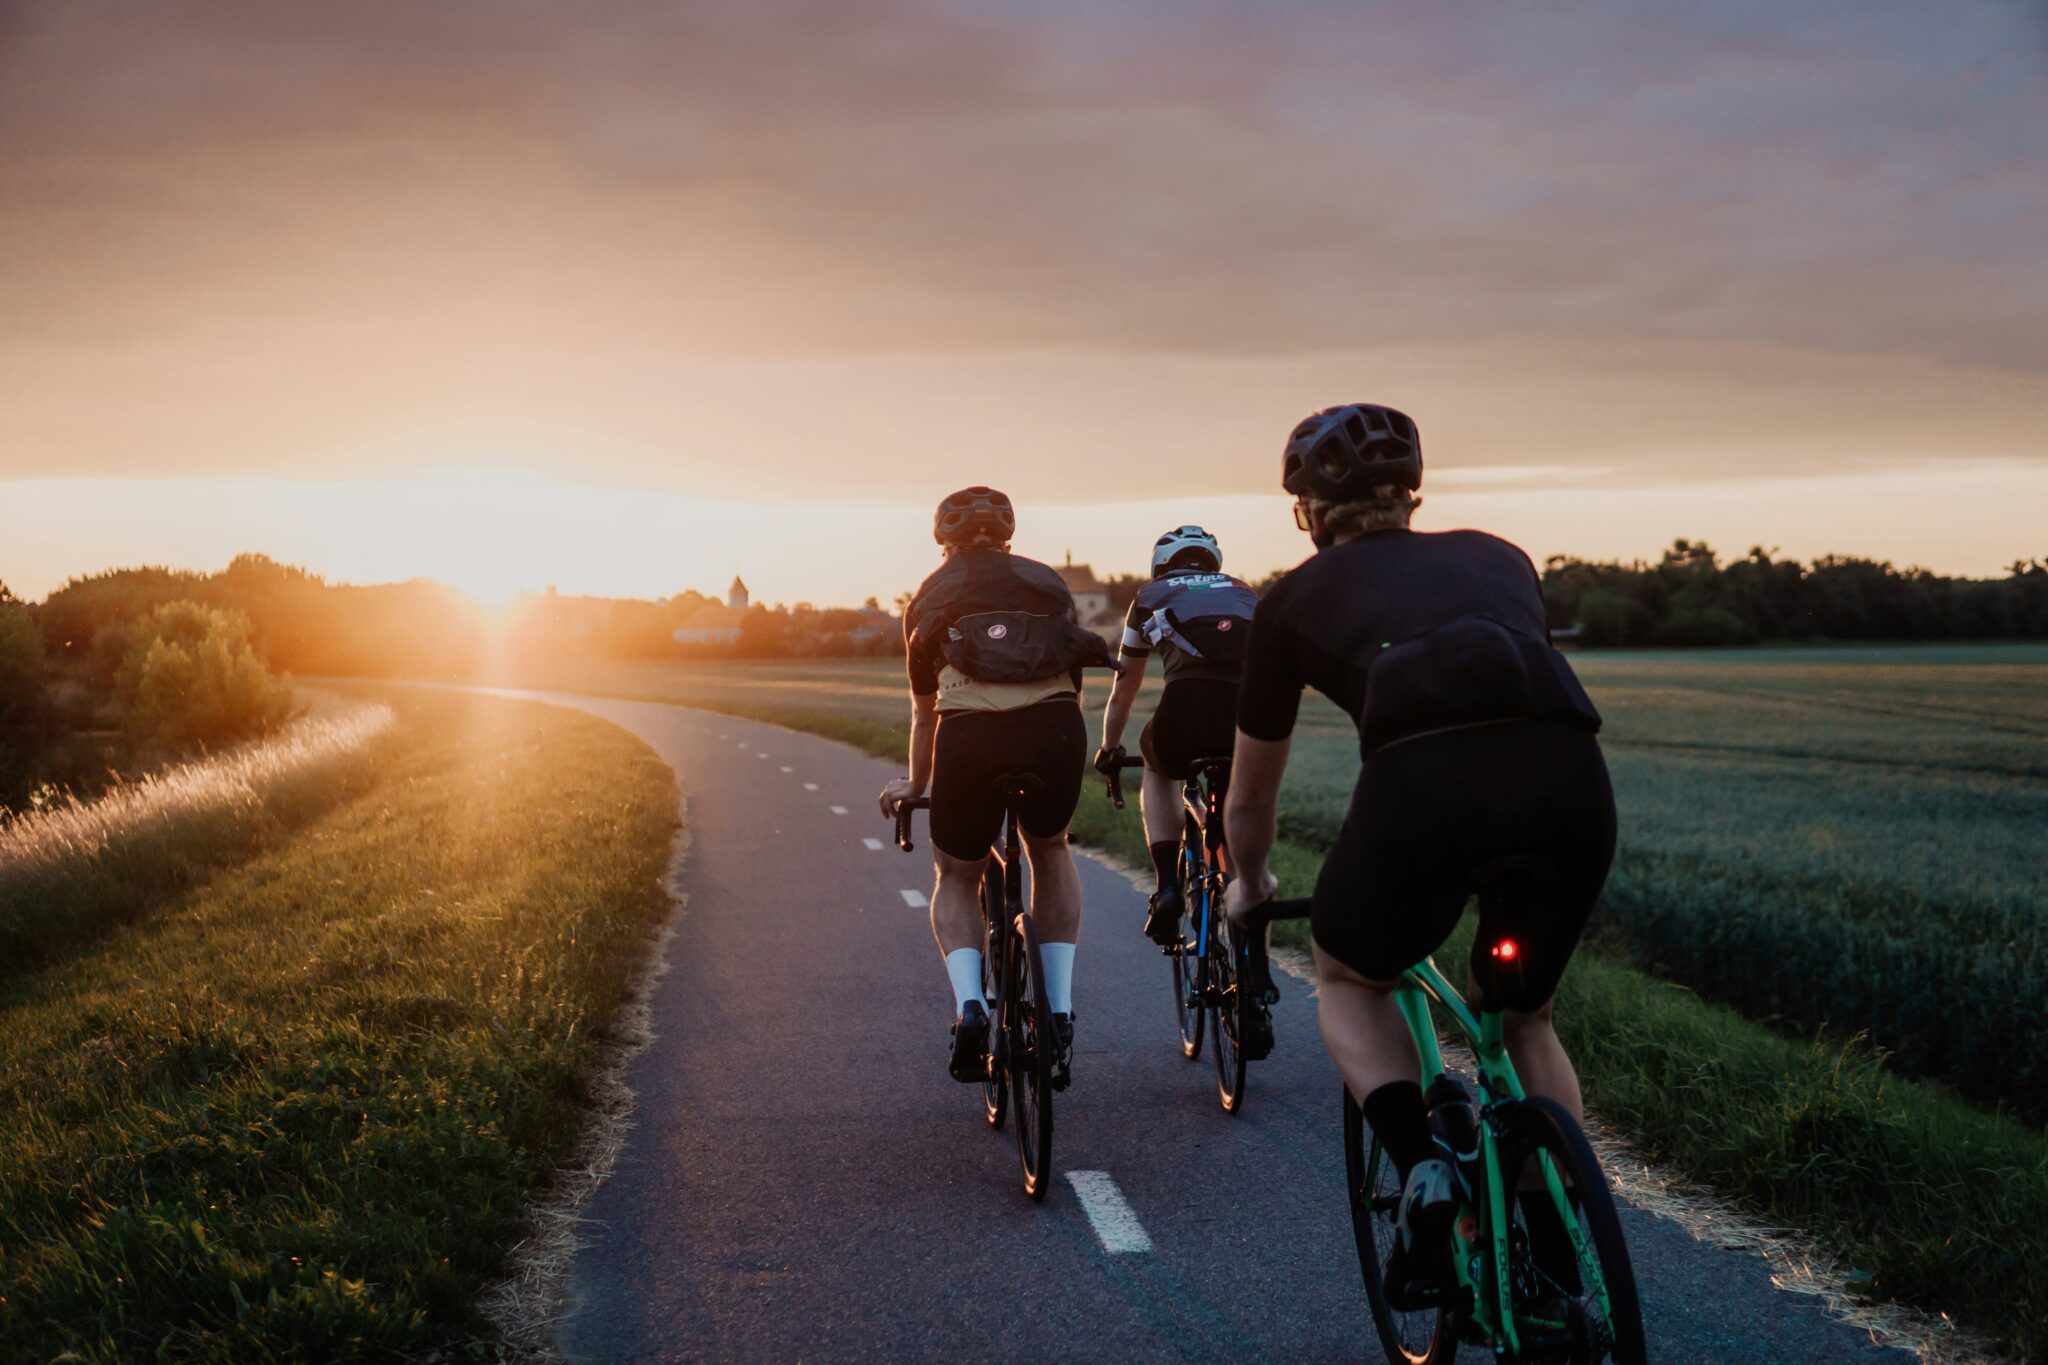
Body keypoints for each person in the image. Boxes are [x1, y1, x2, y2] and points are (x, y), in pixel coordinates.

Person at [1221, 404, 1613, 1306]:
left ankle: (1425, 1173)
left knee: (1352, 972)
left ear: (1309, 511)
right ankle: (1555, 1247)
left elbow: (1249, 797)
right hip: (1571, 785)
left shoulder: (1287, 603)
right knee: (1525, 1015)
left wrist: (1250, 883)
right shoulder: (1502, 556)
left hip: (1424, 793)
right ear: (1412, 493)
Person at [880, 487, 1114, 1087]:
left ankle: (970, 1007)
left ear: (944, 540)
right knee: (1050, 846)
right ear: (1007, 535)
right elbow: (1073, 677)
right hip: (1055, 730)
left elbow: (923, 709)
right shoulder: (1048, 583)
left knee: (955, 874)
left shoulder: (930, 595)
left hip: (970, 736)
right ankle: (1058, 1010)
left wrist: (918, 783)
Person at [1093, 526, 1259, 950]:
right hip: (1246, 719)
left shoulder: (1150, 596)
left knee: (1158, 765)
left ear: (1160, 564)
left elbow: (1123, 691)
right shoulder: (1245, 592)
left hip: (1183, 712)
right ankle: (1254, 972)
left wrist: (1110, 748)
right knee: (1244, 854)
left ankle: (1168, 885)